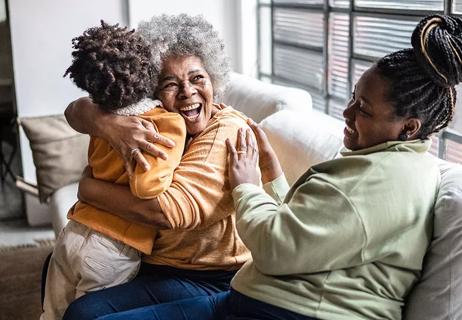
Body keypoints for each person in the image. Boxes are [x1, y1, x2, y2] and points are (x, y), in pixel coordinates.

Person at [88, 14, 462, 320]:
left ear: (409, 127)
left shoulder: (383, 181)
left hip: (280, 307)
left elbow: (274, 245)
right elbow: (311, 232)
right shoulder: (380, 162)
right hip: (259, 294)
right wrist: (273, 175)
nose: (346, 114)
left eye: (362, 109)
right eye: (353, 99)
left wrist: (248, 187)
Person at [61, 14, 252, 320]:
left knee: (83, 314)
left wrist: (88, 188)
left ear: (213, 79)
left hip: (210, 276)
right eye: (169, 83)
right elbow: (75, 111)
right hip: (153, 263)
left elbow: (167, 212)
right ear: (152, 91)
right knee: (57, 270)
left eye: (197, 78)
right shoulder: (153, 121)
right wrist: (106, 123)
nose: (187, 91)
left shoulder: (226, 129)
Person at [41, 21, 187, 320]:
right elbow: (148, 187)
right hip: (114, 246)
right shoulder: (166, 123)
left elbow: (81, 121)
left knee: (52, 313)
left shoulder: (103, 112)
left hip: (76, 231)